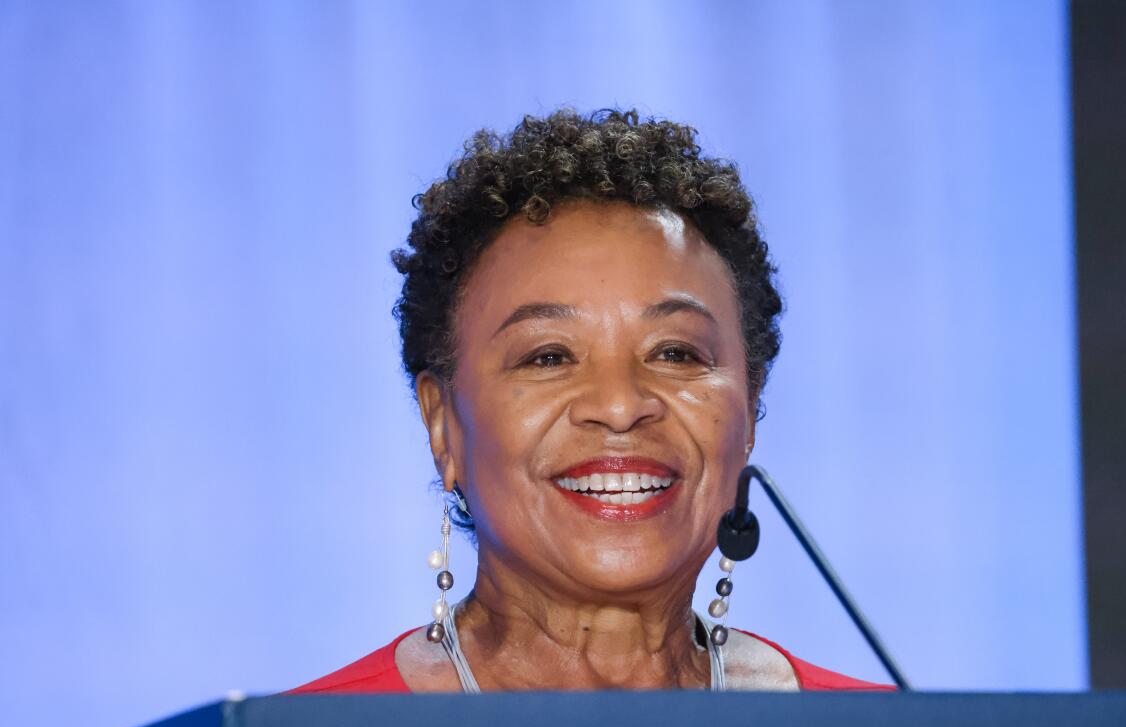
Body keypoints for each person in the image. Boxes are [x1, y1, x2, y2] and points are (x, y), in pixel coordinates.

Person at [290, 109, 887, 694]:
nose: (621, 406)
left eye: (675, 353)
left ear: (750, 406)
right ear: (443, 422)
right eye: (548, 357)